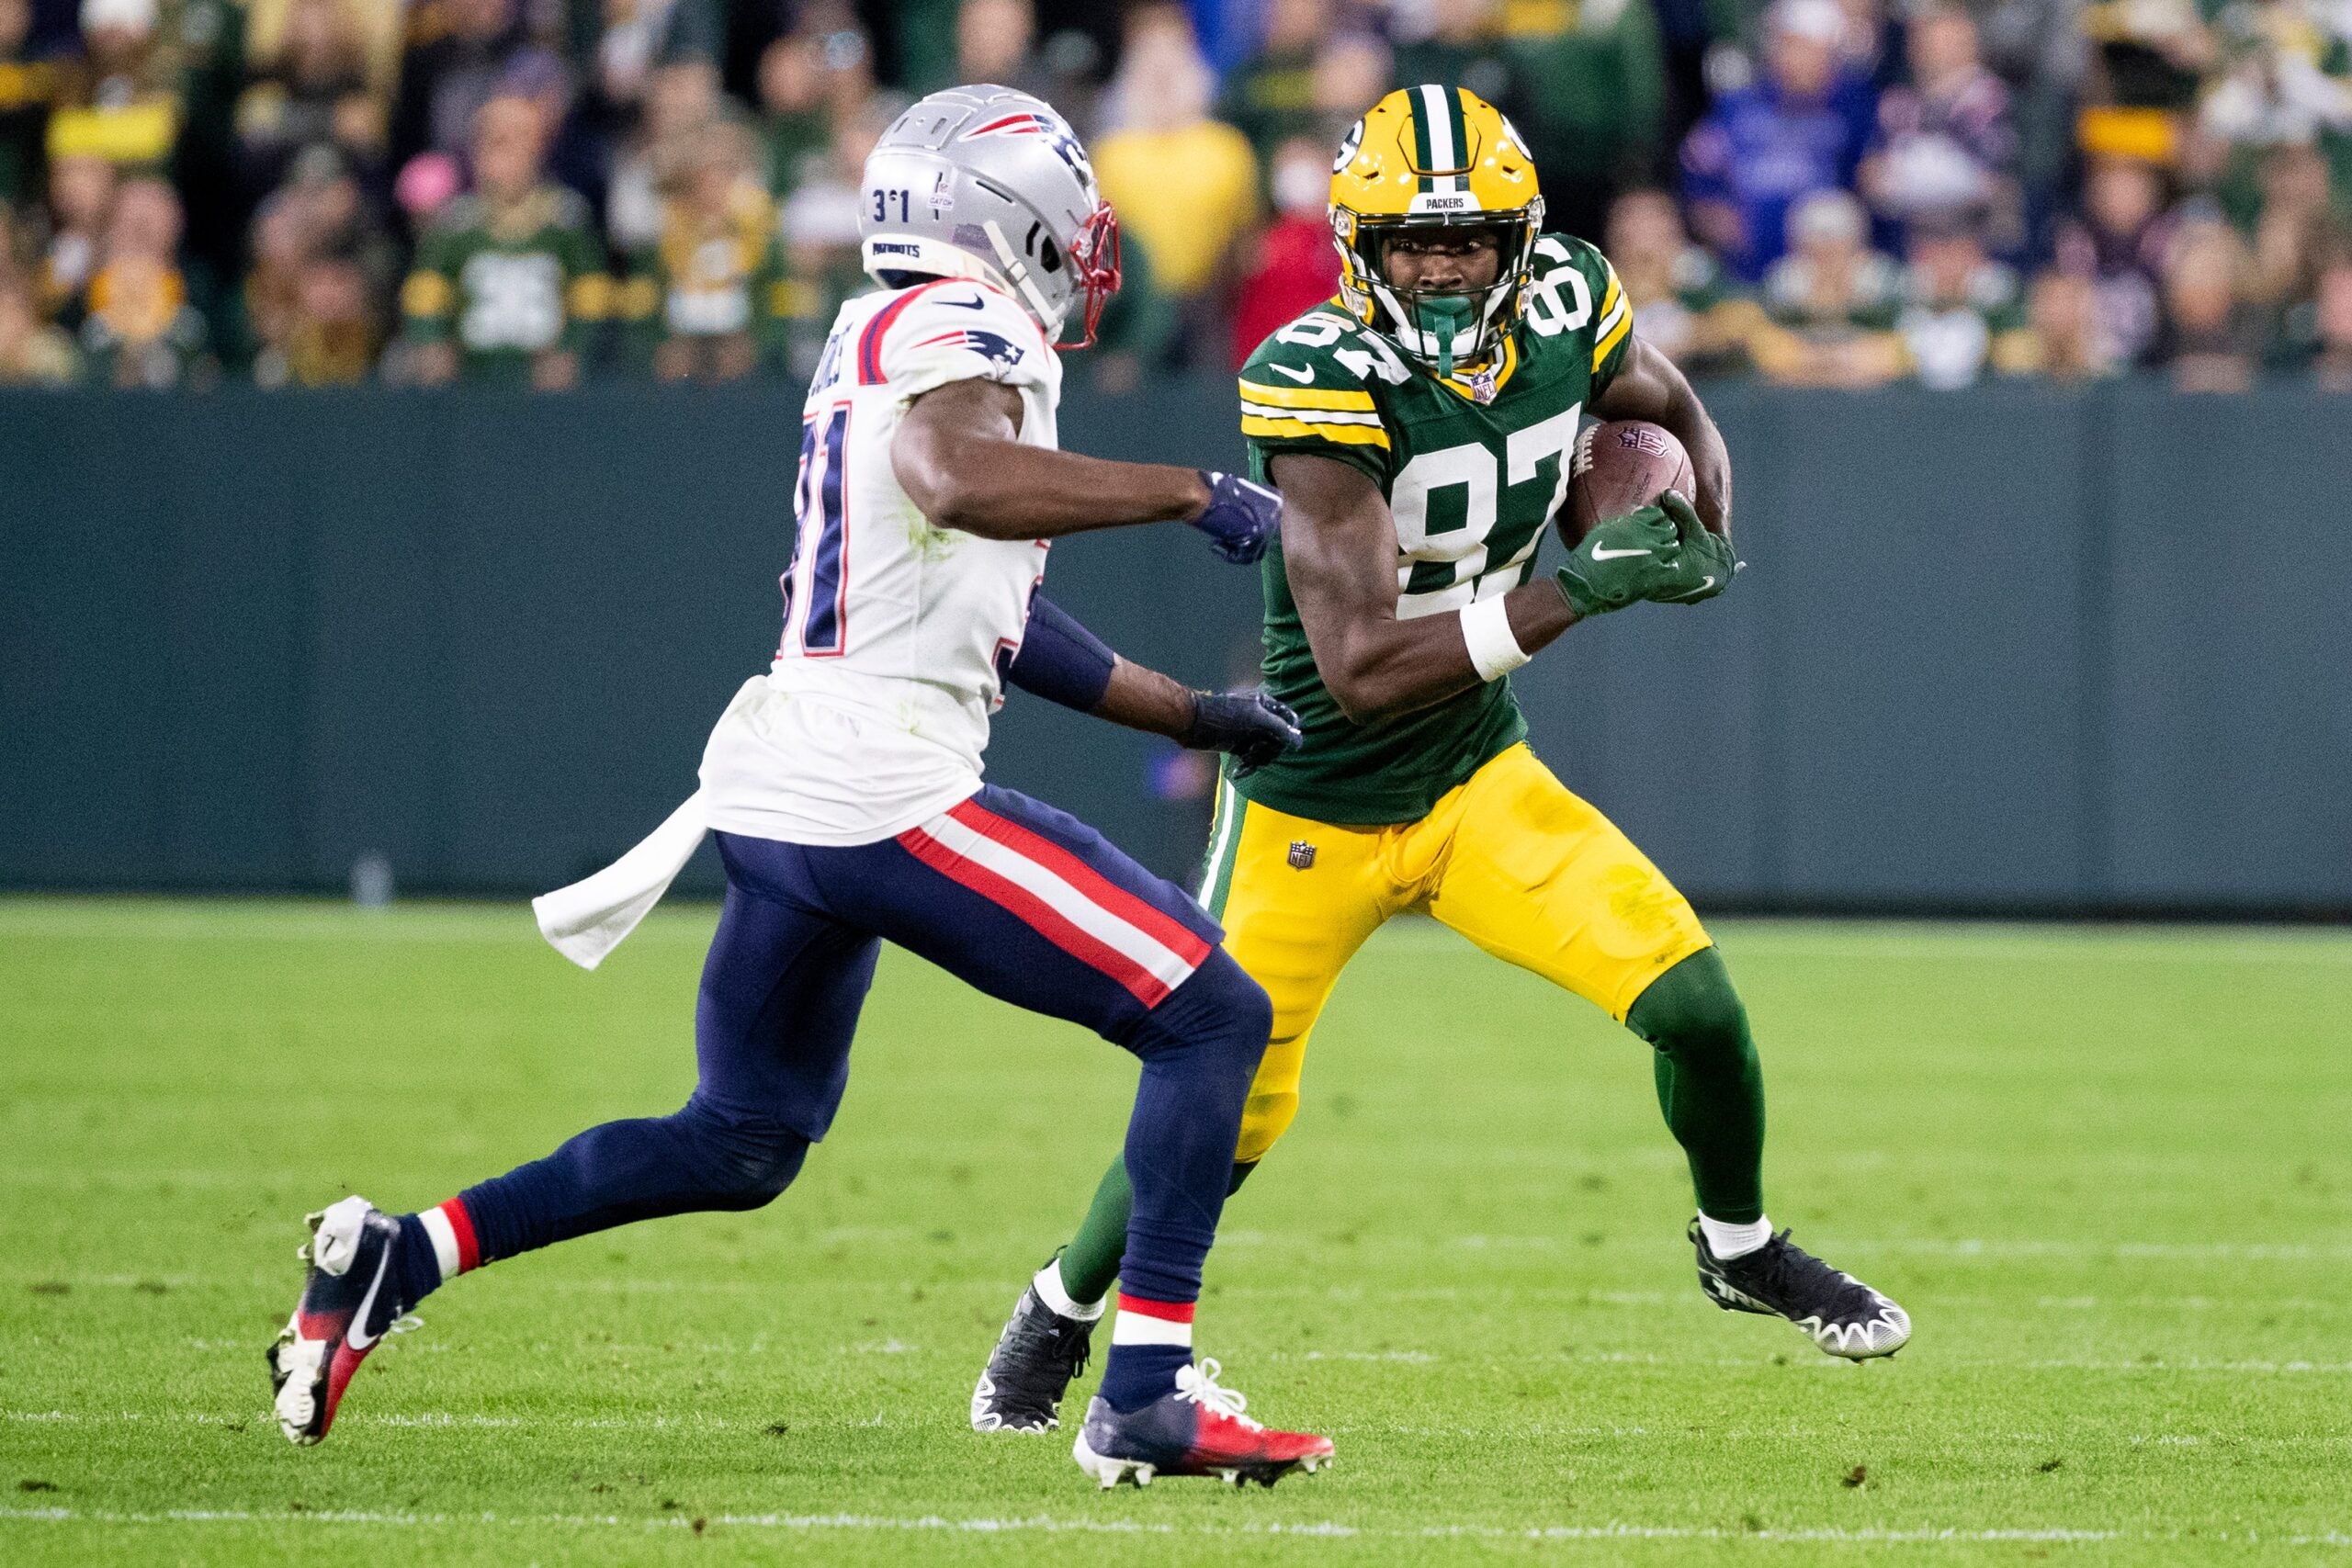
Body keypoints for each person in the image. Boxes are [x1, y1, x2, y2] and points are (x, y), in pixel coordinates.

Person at [266, 85, 1335, 1493]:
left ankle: (401, 1254)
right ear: (1000, 219)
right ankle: (1141, 1391)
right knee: (1215, 1012)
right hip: (880, 788)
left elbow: (998, 619)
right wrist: (1188, 491)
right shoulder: (965, 327)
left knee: (742, 1135)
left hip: (784, 785)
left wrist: (1194, 713)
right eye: (1066, 216)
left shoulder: (884, 327)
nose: (1085, 246)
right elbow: (952, 478)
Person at [972, 85, 1911, 1438]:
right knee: (1226, 1112)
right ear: (1360, 247)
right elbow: (1362, 667)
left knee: (1699, 1008)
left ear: (1518, 240)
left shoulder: (1571, 298)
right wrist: (1581, 587)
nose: (1443, 267)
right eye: (1413, 243)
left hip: (1473, 778)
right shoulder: (1317, 371)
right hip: (1313, 801)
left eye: (1469, 240)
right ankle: (1060, 1301)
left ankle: (1739, 1242)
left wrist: (1706, 528)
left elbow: (1668, 403)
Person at [398, 94, 607, 387]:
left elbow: (593, 296)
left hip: (546, 386)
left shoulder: (565, 220)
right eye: (490, 142)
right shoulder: (457, 225)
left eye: (514, 141)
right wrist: (433, 345)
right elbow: (424, 297)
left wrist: (571, 351)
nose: (499, 155)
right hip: (472, 380)